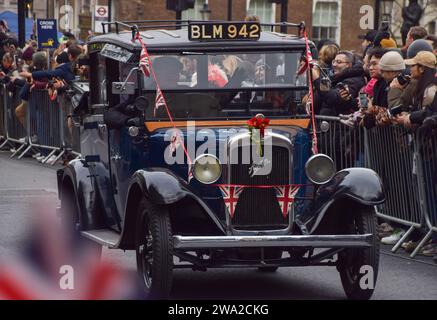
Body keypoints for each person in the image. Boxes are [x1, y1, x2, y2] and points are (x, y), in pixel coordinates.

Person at [312, 50, 366, 116]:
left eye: (339, 62)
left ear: (348, 65)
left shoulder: (354, 80)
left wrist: (317, 80)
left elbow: (333, 98)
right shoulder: (335, 78)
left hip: (338, 124)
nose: (334, 65)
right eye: (334, 61)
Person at [395, 51, 437, 129]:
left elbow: (426, 116)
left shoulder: (430, 90)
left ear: (421, 69)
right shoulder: (420, 86)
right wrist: (407, 116)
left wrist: (408, 119)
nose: (410, 69)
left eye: (413, 65)